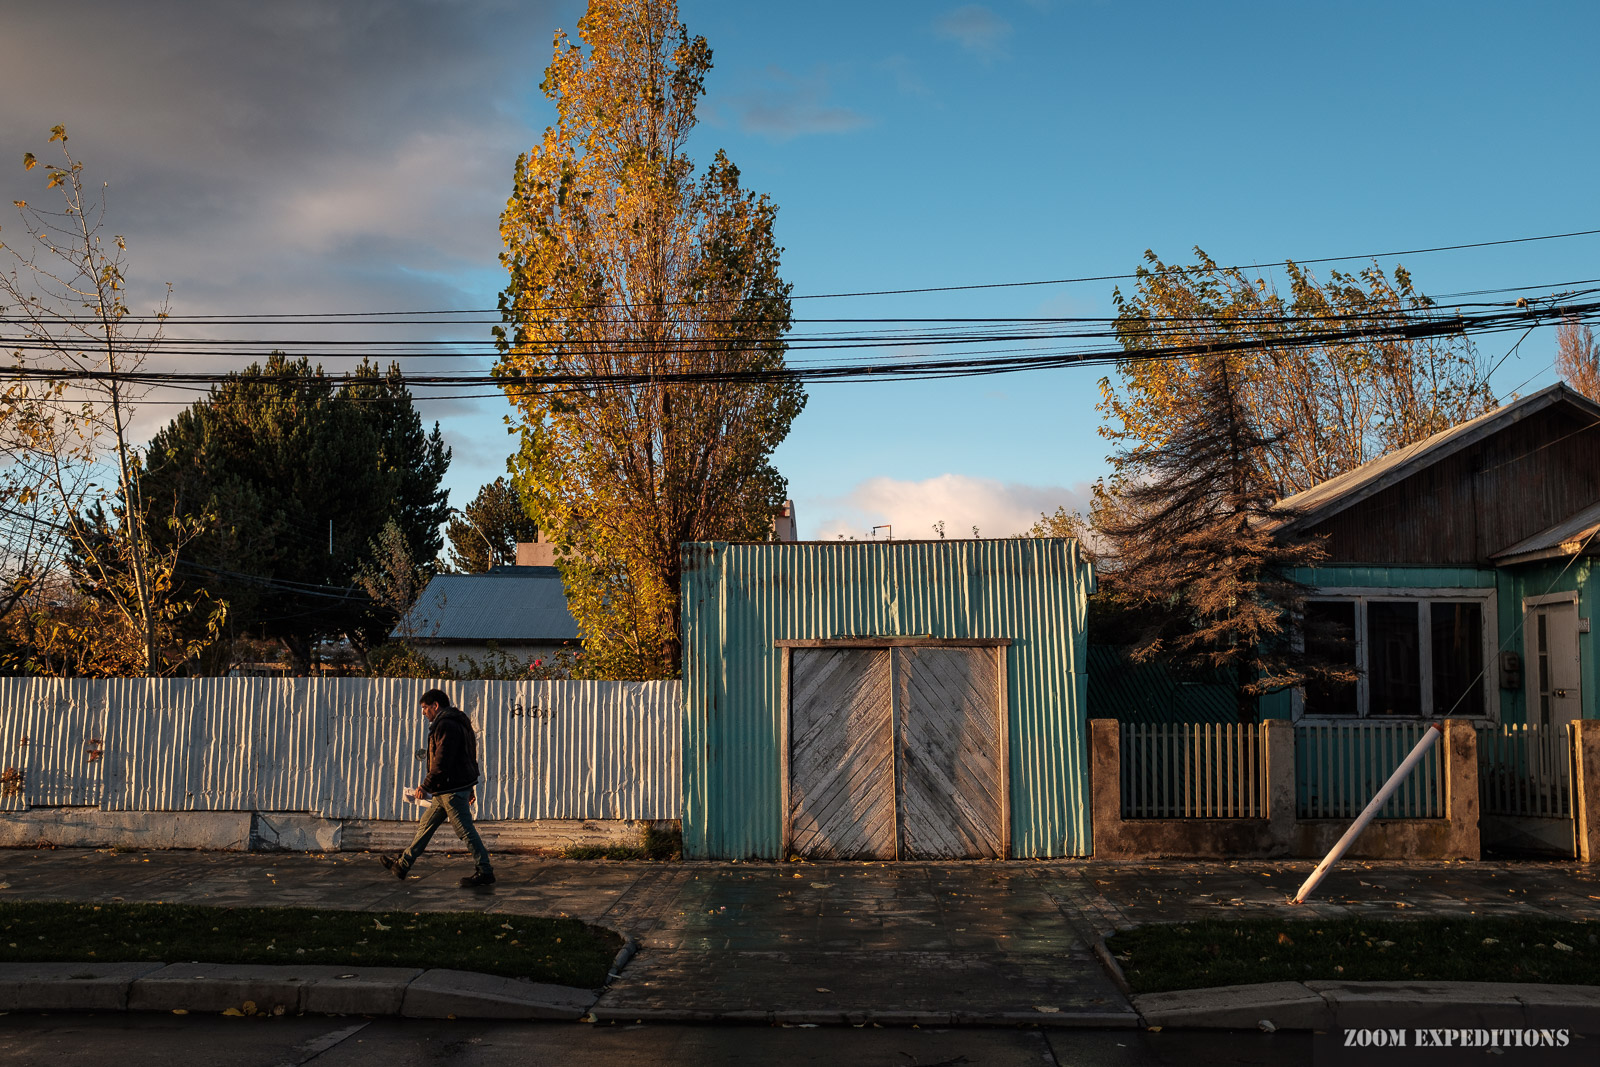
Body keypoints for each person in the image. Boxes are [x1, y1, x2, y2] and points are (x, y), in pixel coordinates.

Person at [380, 689, 496, 888]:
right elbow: (468, 756)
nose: (423, 713)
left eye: (425, 708)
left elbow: (442, 760)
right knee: (425, 828)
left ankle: (485, 871)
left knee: (466, 832)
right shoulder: (459, 721)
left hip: (450, 790)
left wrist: (426, 786)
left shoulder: (446, 725)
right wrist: (469, 787)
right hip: (448, 789)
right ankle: (402, 865)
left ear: (435, 706)